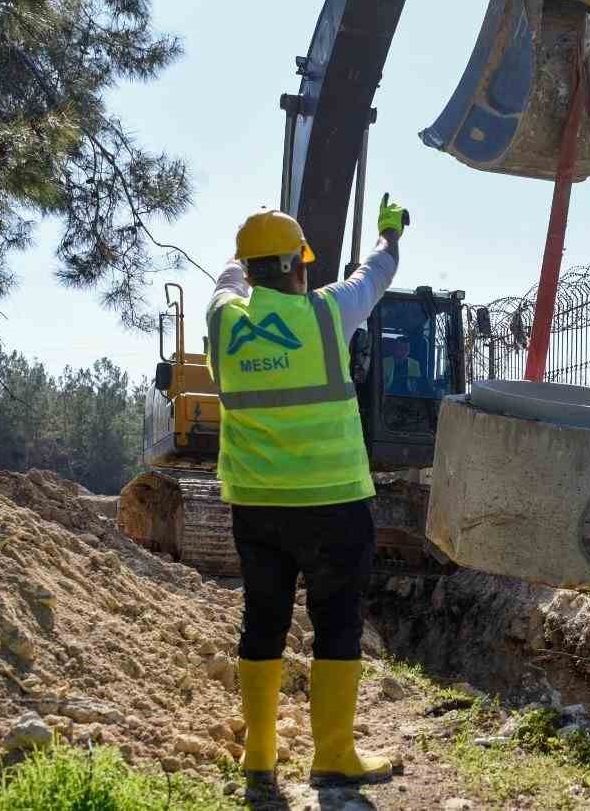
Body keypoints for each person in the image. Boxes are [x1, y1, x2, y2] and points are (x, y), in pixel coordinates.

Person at [206, 194, 408, 794]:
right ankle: (335, 755)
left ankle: (260, 758)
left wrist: (247, 247)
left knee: (262, 620)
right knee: (337, 623)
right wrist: (389, 234)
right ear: (300, 265)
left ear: (248, 268)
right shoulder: (327, 315)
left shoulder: (222, 321)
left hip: (258, 507)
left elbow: (225, 277)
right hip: (334, 503)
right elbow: (376, 274)